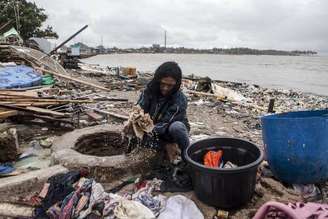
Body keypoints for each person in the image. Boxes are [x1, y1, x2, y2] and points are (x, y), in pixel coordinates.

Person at [137, 61, 190, 157]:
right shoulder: (149, 91)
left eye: (170, 85)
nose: (165, 88)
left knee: (177, 127)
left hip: (168, 132)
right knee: (134, 134)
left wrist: (147, 130)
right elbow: (139, 108)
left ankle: (186, 155)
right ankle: (165, 146)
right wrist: (136, 120)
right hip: (151, 130)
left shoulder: (180, 100)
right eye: (163, 84)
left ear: (176, 84)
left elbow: (166, 124)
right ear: (157, 80)